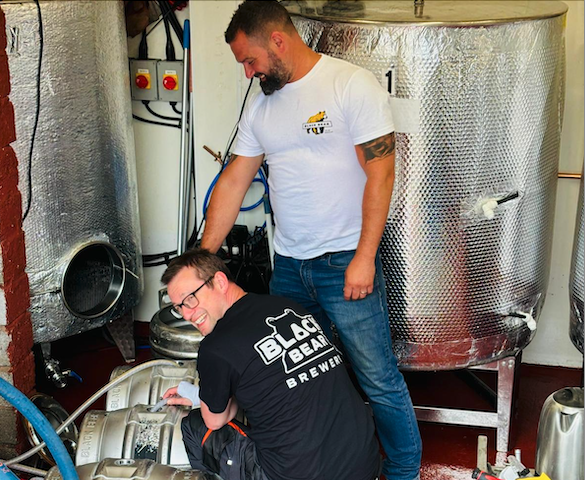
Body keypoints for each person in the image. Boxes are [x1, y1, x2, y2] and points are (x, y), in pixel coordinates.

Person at [200, 2, 422, 479]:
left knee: (377, 379)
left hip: (344, 261)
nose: (247, 73)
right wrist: (203, 258)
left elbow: (382, 174)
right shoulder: (262, 105)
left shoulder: (349, 85)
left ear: (278, 40)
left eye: (250, 60)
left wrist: (365, 257)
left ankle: (404, 473)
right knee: (299, 378)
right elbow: (235, 180)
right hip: (289, 268)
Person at [161, 248, 380, 480]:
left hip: (295, 474)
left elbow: (215, 420)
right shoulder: (288, 308)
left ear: (220, 281)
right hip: (365, 464)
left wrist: (206, 398)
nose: (187, 314)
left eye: (190, 299)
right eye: (179, 307)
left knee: (194, 426)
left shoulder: (215, 346)